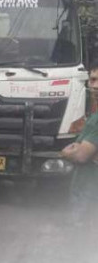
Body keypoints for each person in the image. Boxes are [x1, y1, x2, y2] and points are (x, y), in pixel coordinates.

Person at [61, 61, 98, 224]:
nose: (95, 86)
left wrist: (66, 152)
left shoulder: (96, 120)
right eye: (93, 80)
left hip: (89, 197)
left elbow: (81, 155)